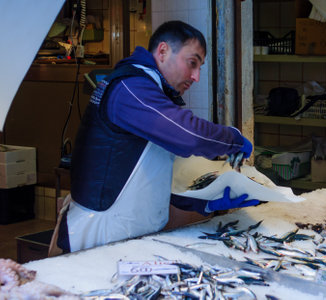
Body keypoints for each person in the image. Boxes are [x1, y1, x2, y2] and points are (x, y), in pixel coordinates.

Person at [49, 20, 259, 255]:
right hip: (102, 234)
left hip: (127, 234)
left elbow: (147, 176)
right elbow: (188, 134)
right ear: (162, 51)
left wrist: (203, 202)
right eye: (192, 63)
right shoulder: (130, 88)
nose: (196, 76)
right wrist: (232, 139)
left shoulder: (148, 91)